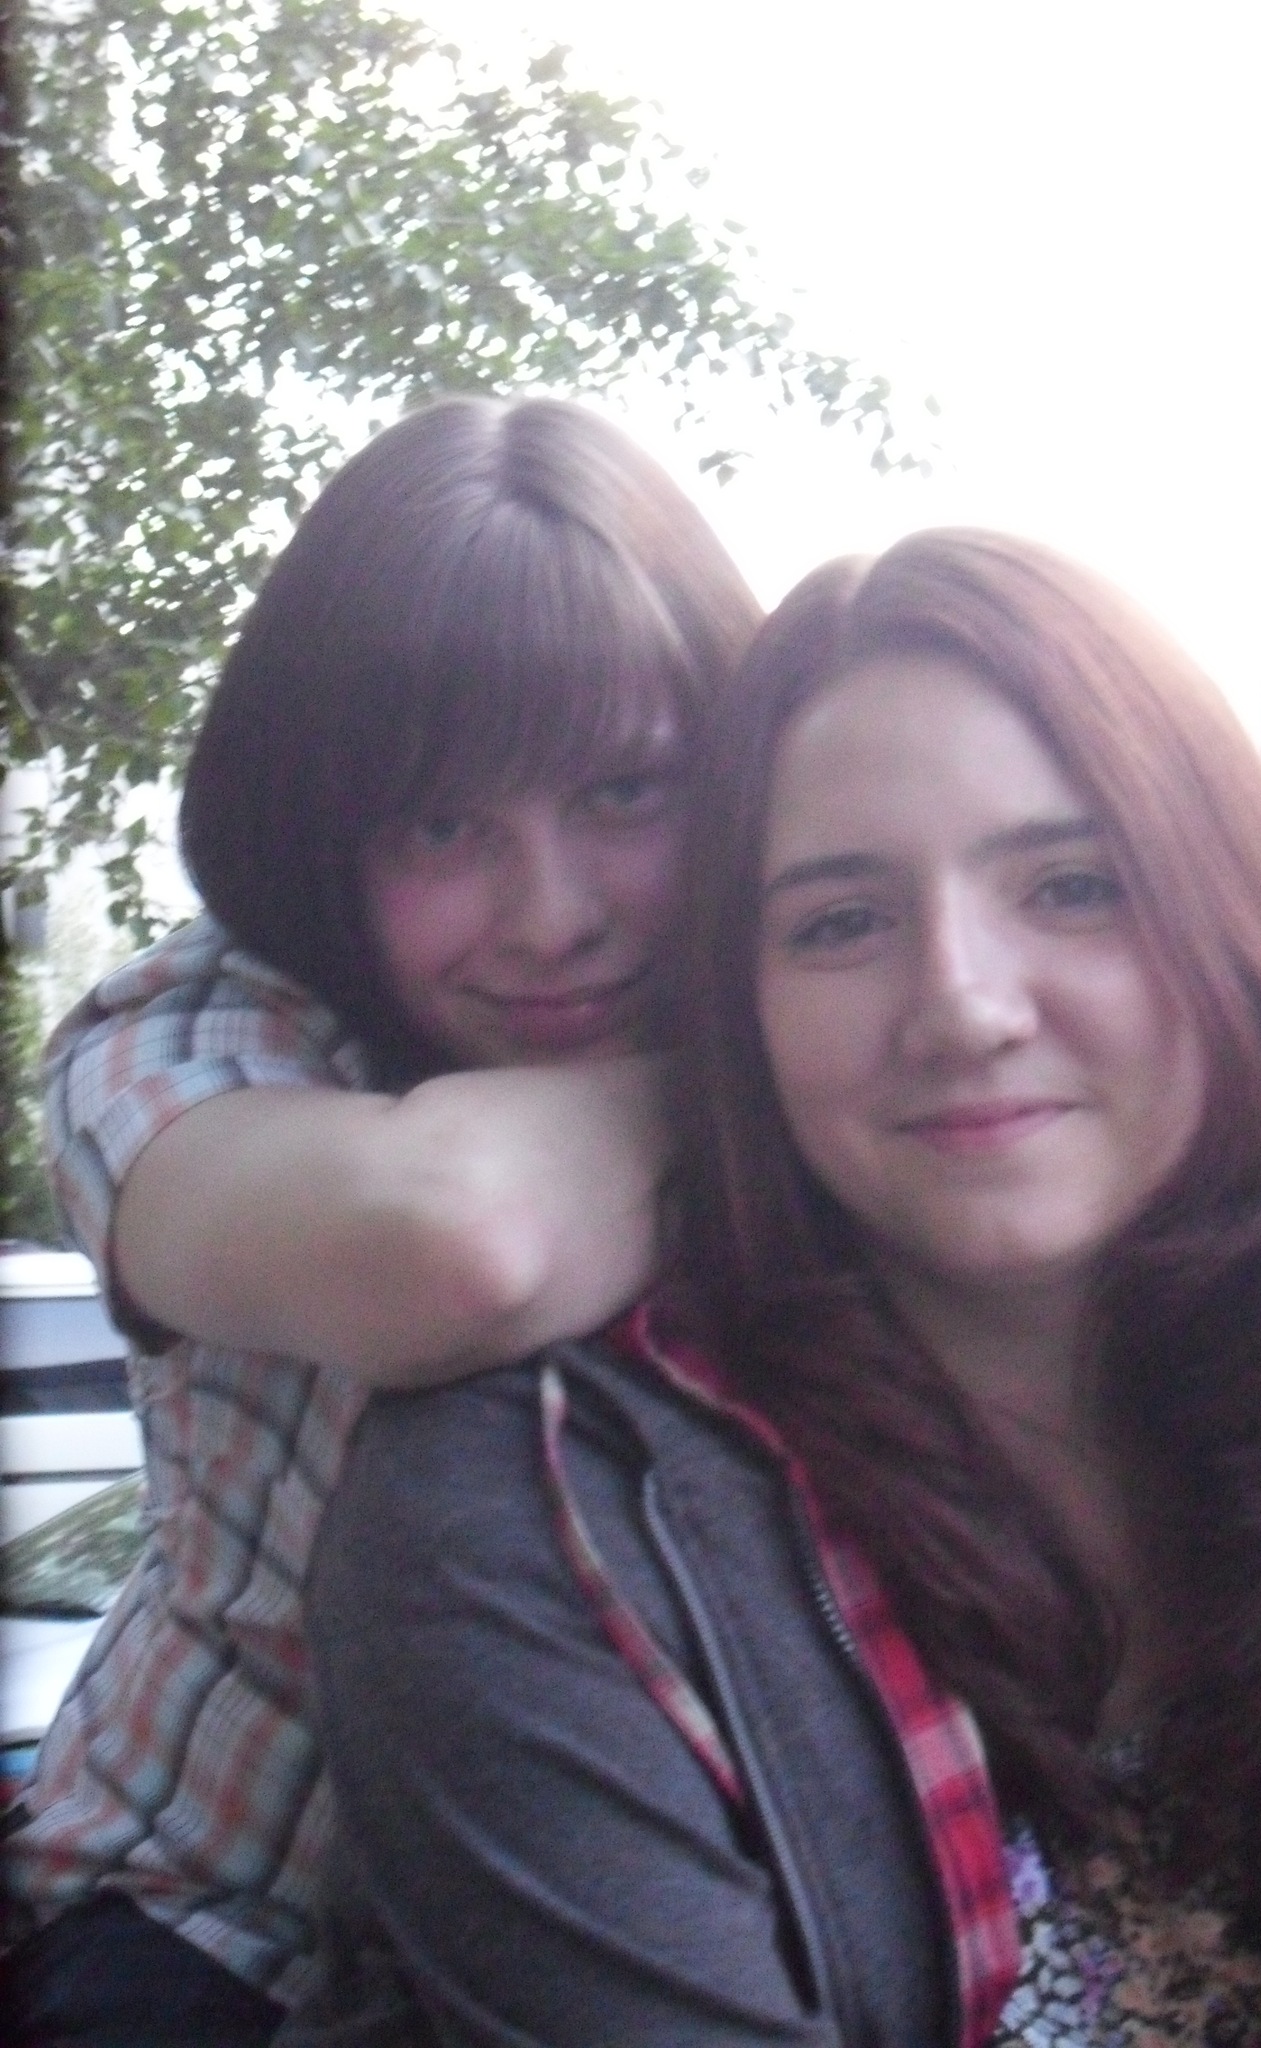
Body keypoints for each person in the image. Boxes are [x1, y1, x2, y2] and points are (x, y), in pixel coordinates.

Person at [291, 530, 1261, 2046]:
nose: (962, 1007)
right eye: (843, 923)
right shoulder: (529, 1522)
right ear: (736, 1006)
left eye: (1073, 887)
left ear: (1240, 927)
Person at [2, 393, 763, 2043]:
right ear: (324, 836)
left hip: (694, 1913)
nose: (551, 918)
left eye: (626, 792)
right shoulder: (184, 1035)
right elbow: (454, 1244)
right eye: (444, 825)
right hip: (225, 1929)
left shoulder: (825, 987)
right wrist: (797, 1079)